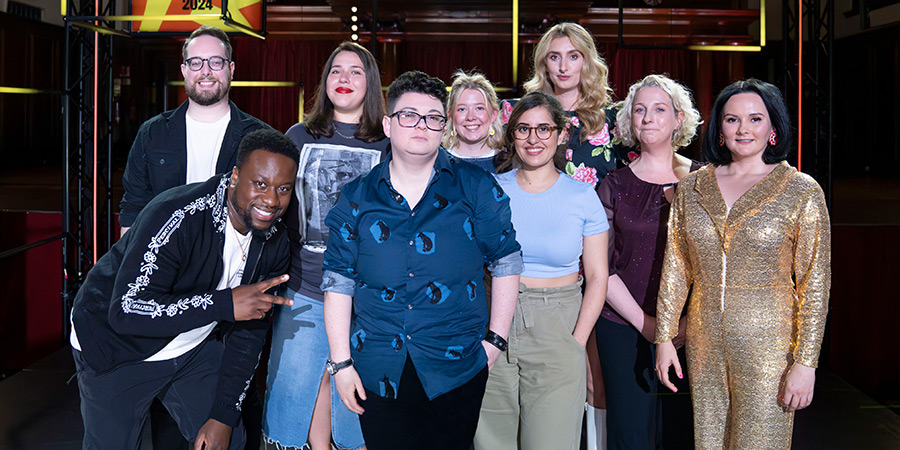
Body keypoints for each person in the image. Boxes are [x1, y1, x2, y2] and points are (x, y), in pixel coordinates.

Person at [321, 71, 523, 450]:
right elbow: (338, 281)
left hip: (457, 363)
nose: (421, 125)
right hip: (377, 363)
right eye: (409, 115)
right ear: (388, 123)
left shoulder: (475, 186)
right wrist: (341, 364)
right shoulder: (356, 197)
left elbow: (506, 261)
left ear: (443, 127)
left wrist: (495, 341)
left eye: (433, 117)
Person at [70, 129, 299, 450]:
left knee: (229, 440)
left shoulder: (274, 241)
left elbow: (250, 335)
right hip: (116, 349)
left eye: (283, 189)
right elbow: (126, 310)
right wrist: (223, 304)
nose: (272, 200)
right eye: (260, 183)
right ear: (235, 176)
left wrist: (223, 414)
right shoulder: (177, 216)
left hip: (190, 347)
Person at [654, 79, 831, 449]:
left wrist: (806, 362)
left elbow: (814, 283)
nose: (743, 129)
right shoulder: (692, 187)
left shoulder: (801, 190)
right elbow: (676, 266)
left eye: (755, 119)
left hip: (771, 350)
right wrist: (665, 337)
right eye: (732, 120)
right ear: (720, 129)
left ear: (773, 129)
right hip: (704, 345)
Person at [263, 41, 388, 450]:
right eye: (336, 70)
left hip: (367, 298)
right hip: (305, 288)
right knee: (299, 388)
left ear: (370, 83)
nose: (345, 79)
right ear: (324, 81)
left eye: (356, 71)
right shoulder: (298, 137)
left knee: (355, 398)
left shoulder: (388, 143)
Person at [474, 91, 609, 450]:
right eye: (523, 129)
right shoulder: (491, 191)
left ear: (561, 134)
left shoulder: (582, 196)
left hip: (558, 326)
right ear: (511, 135)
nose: (534, 139)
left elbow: (598, 277)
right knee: (490, 443)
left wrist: (575, 343)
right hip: (495, 321)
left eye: (544, 129)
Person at [595, 74, 701, 449]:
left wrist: (681, 326)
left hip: (694, 328)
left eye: (659, 109)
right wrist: (649, 326)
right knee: (631, 436)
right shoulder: (613, 184)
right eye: (639, 110)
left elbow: (716, 263)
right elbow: (601, 268)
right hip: (625, 325)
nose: (648, 117)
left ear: (678, 119)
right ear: (629, 121)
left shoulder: (705, 181)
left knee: (684, 433)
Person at [120, 25, 269, 234]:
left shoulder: (260, 138)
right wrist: (129, 264)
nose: (205, 71)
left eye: (216, 62)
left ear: (231, 69)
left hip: (234, 260)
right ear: (184, 71)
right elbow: (133, 209)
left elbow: (270, 210)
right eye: (196, 63)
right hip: (165, 259)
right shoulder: (152, 134)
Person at [514, 22, 629, 188]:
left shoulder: (613, 117)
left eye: (573, 56)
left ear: (586, 62)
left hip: (596, 213)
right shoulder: (521, 114)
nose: (563, 67)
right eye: (554, 57)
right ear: (545, 64)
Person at [442, 70, 505, 173]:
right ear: (451, 117)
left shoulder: (510, 164)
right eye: (462, 109)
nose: (470, 117)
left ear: (493, 114)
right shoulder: (438, 164)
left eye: (479, 108)